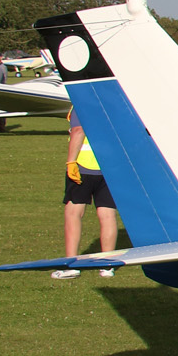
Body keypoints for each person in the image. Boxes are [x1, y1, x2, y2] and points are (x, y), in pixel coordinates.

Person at [53, 111, 119, 280]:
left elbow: (78, 131)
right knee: (107, 214)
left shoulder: (80, 101)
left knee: (73, 213)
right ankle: (107, 265)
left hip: (83, 166)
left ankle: (71, 265)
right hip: (108, 166)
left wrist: (71, 161)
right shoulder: (108, 103)